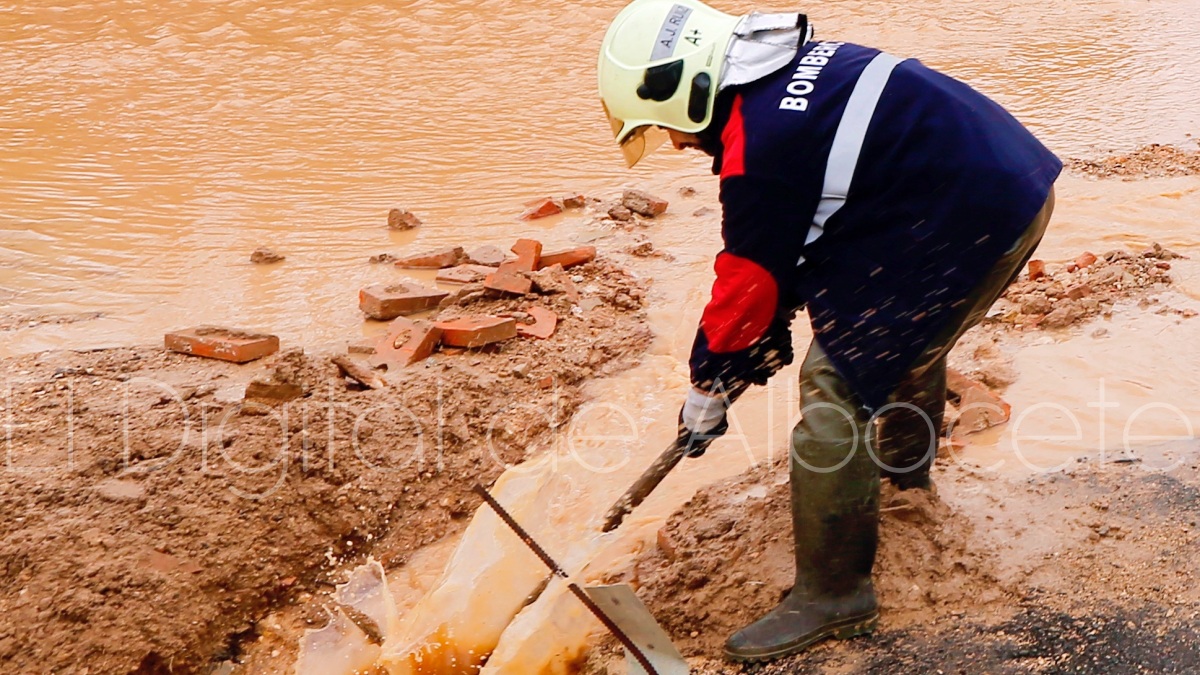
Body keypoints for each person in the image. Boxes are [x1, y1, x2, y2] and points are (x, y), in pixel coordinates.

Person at [597, 0, 1060, 663]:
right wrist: (738, 362)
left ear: (689, 88)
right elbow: (790, 249)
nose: (672, 142)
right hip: (1007, 187)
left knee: (833, 383)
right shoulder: (780, 78)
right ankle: (908, 481)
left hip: (970, 213)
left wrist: (707, 385)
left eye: (665, 125)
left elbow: (749, 279)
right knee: (897, 339)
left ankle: (835, 593)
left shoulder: (760, 141)